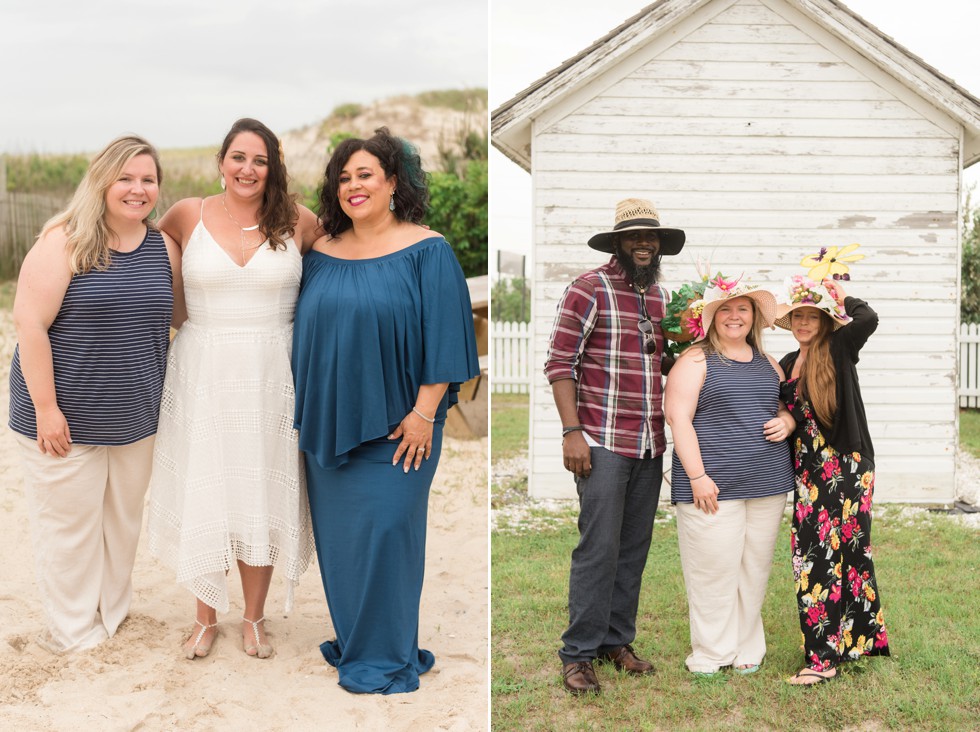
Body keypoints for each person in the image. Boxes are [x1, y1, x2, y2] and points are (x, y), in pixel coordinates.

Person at [291, 127, 479, 695]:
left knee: (390, 535)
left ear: (393, 182)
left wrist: (425, 413)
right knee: (345, 544)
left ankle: (383, 656)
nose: (353, 186)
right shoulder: (320, 252)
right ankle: (361, 640)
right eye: (344, 177)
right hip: (331, 423)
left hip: (404, 427)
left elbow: (446, 337)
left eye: (365, 174)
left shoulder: (428, 249)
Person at [147, 118, 319, 660]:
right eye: (239, 157)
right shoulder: (185, 215)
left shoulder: (299, 221)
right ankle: (203, 618)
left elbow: (341, 271)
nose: (248, 169)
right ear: (221, 161)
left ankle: (254, 618)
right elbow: (142, 257)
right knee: (210, 486)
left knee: (262, 490)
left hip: (275, 371)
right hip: (203, 369)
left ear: (274, 167)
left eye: (260, 160)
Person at [9, 135, 184, 652]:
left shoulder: (162, 246)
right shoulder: (65, 240)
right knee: (70, 528)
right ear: (102, 181)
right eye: (125, 178)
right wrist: (46, 409)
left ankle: (111, 612)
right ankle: (72, 632)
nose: (138, 188)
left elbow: (178, 318)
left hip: (135, 416)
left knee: (121, 522)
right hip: (64, 415)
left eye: (148, 179)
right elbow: (29, 324)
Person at [544, 198, 685, 696]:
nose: (644, 244)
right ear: (619, 243)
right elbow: (560, 363)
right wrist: (571, 432)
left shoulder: (662, 299)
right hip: (601, 440)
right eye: (634, 237)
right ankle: (578, 655)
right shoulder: (590, 289)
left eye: (652, 238)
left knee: (633, 549)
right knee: (598, 548)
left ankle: (615, 641)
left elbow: (662, 364)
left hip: (649, 442)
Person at [663, 277, 795, 677]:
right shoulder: (695, 360)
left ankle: (747, 645)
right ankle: (711, 651)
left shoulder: (768, 363)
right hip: (711, 485)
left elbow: (787, 407)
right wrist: (698, 476)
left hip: (768, 481)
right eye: (725, 309)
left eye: (742, 309)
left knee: (753, 568)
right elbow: (677, 417)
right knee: (712, 569)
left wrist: (787, 420)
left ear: (753, 316)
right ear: (712, 317)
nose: (734, 316)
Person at [775, 276, 889, 685]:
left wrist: (839, 296)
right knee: (820, 556)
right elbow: (794, 414)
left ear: (825, 321)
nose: (804, 323)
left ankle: (822, 660)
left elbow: (868, 317)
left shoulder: (837, 348)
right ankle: (851, 643)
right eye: (797, 317)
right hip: (810, 473)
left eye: (812, 316)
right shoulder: (790, 362)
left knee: (828, 557)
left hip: (847, 468)